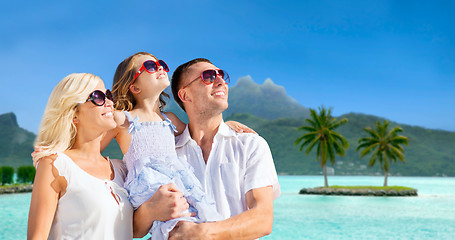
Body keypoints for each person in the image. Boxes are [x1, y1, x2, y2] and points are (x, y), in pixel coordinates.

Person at [104, 52, 254, 239]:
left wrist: (227, 125)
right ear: (133, 86)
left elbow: (200, 130)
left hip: (177, 180)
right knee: (176, 223)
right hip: (149, 184)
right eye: (150, 66)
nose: (159, 67)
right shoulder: (123, 119)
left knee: (196, 217)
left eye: (162, 64)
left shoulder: (170, 119)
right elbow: (92, 145)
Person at [164, 58, 281, 239]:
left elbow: (263, 219)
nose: (221, 81)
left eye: (222, 75)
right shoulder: (167, 153)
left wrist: (201, 233)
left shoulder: (251, 145)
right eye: (208, 77)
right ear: (185, 95)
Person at [27, 73, 133, 239]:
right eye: (98, 97)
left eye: (108, 95)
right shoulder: (55, 165)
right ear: (74, 114)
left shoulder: (121, 168)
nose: (110, 102)